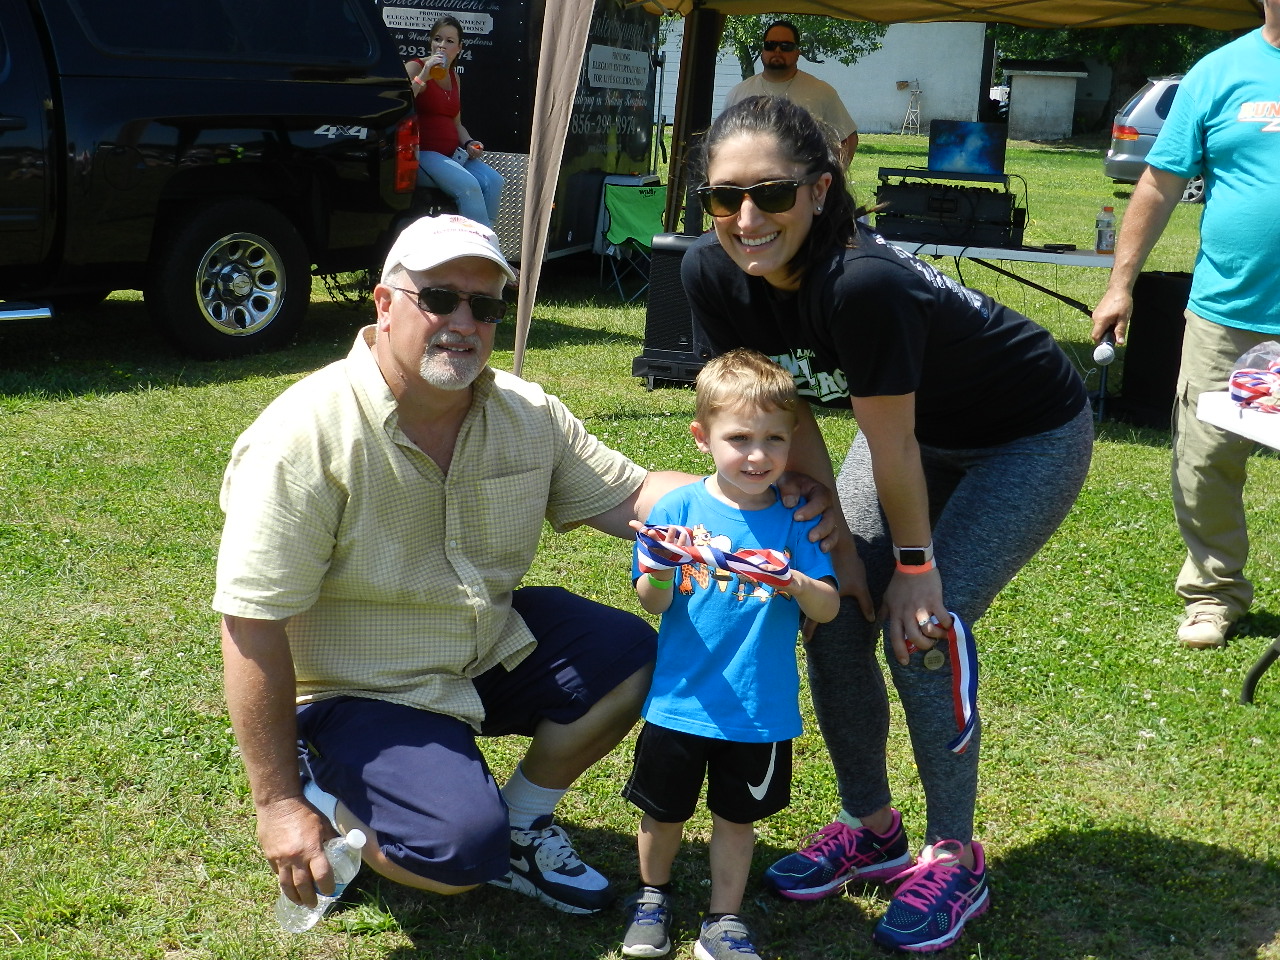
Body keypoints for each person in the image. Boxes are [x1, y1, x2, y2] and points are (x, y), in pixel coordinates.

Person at [214, 213, 836, 922]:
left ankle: (520, 823)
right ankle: (319, 782)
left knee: (631, 655)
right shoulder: (301, 436)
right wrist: (277, 804)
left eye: (484, 306)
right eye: (439, 298)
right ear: (384, 305)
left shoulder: (524, 411)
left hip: (482, 643)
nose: (464, 323)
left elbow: (634, 496)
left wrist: (766, 495)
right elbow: (251, 622)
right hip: (360, 687)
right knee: (455, 855)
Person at [680, 96, 1094, 953]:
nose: (747, 219)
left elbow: (892, 441)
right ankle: (871, 827)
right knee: (834, 612)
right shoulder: (710, 274)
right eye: (724, 197)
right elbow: (787, 412)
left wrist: (914, 567)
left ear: (821, 190)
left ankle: (955, 855)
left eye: (772, 194)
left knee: (923, 630)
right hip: (906, 437)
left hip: (1024, 436)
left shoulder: (862, 283)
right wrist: (833, 540)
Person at [617, 349, 840, 960]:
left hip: (758, 709)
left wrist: (794, 581)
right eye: (739, 438)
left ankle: (723, 919)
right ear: (702, 437)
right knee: (662, 814)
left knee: (737, 820)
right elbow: (653, 602)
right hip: (679, 701)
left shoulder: (797, 519)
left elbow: (827, 608)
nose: (757, 455)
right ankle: (652, 898)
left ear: (792, 441)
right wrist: (660, 566)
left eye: (774, 439)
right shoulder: (677, 511)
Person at [1091, 1, 1280, 651]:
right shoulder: (1218, 73)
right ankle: (1214, 593)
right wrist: (1120, 285)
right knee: (1205, 460)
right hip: (1229, 314)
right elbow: (1159, 184)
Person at [405, 16, 504, 227]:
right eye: (437, 39)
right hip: (423, 154)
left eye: (449, 41)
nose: (442, 45)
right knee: (469, 186)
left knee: (495, 181)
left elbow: (457, 123)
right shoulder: (416, 67)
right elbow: (401, 103)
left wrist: (469, 143)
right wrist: (423, 76)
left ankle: (485, 238)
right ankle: (476, 242)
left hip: (452, 155)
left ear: (459, 48)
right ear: (431, 42)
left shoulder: (454, 77)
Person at [723, 21, 858, 165]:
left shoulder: (822, 92)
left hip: (803, 177)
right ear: (763, 50)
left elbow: (848, 139)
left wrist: (834, 174)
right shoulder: (738, 93)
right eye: (770, 45)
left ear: (797, 52)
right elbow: (722, 141)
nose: (777, 50)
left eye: (786, 46)